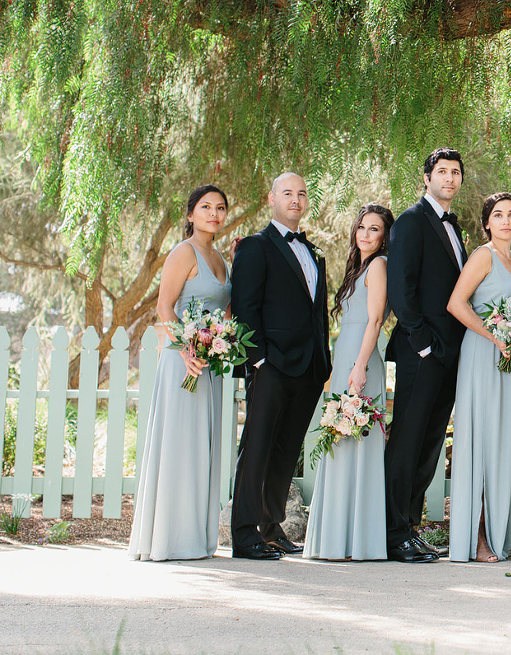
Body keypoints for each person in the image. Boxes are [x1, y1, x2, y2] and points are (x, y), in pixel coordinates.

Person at [230, 172, 331, 560]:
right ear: (272, 198)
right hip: (270, 365)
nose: (296, 199)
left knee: (286, 450)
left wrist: (322, 361)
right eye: (287, 193)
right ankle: (244, 534)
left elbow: (316, 313)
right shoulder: (255, 247)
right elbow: (245, 308)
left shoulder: (313, 252)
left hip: (308, 369)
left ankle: (271, 528)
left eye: (302, 194)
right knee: (256, 449)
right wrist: (258, 360)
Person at [129, 185, 231, 561]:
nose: (213, 214)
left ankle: (196, 538)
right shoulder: (182, 253)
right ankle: (170, 539)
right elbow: (164, 306)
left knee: (200, 448)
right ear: (190, 214)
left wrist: (222, 343)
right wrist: (188, 350)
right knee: (179, 447)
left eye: (220, 208)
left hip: (210, 364)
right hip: (183, 363)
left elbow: (226, 312)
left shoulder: (220, 257)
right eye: (205, 207)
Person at [385, 149, 469, 563]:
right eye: (442, 172)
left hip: (449, 355)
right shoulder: (410, 222)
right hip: (422, 352)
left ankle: (410, 527)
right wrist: (422, 343)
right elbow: (401, 289)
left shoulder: (455, 229)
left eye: (455, 173)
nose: (449, 179)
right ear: (427, 177)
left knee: (431, 442)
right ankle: (392, 532)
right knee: (407, 440)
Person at [304, 204, 394, 562]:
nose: (366, 234)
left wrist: (358, 368)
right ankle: (336, 538)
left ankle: (357, 540)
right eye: (362, 227)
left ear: (385, 236)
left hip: (361, 361)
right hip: (347, 359)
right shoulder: (358, 268)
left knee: (356, 443)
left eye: (374, 229)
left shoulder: (379, 266)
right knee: (340, 443)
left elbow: (375, 321)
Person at [446, 193, 511, 563]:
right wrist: (494, 336)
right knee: (479, 444)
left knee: (499, 446)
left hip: (510, 363)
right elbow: (456, 303)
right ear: (487, 223)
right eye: (499, 215)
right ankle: (477, 538)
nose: (506, 221)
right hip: (482, 355)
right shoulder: (484, 256)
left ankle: (498, 534)